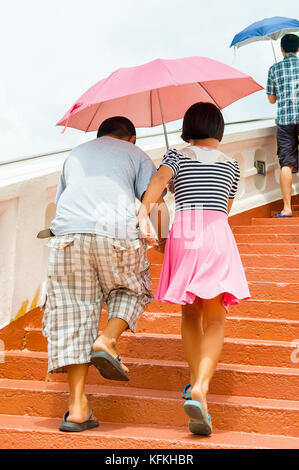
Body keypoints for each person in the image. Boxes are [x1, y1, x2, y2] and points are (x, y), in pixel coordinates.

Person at [41, 116, 169, 432]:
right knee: (133, 288)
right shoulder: (137, 155)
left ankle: (77, 409)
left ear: (100, 136)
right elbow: (154, 203)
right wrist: (164, 241)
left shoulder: (75, 154)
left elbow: (62, 203)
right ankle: (107, 340)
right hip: (117, 232)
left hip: (68, 237)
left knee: (74, 316)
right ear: (132, 137)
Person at [138, 102, 250, 436]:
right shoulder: (232, 164)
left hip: (185, 231)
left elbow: (159, 182)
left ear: (188, 127)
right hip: (217, 233)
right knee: (215, 317)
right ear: (218, 129)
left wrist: (145, 212)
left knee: (189, 314)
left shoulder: (176, 155)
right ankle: (201, 385)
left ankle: (192, 382)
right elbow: (225, 208)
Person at [266, 33, 299, 218]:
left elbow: (271, 100)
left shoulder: (274, 69)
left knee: (286, 164)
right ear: (298, 48)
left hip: (285, 122)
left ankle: (287, 208)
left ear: (281, 49)